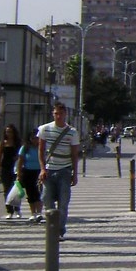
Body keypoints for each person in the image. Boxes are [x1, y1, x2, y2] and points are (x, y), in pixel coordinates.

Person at [37, 102, 80, 241]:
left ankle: (59, 231)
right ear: (53, 114)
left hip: (64, 170)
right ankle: (51, 228)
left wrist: (75, 173)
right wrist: (42, 169)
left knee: (63, 202)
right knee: (47, 200)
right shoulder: (45, 129)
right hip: (49, 169)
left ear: (65, 114)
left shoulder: (72, 132)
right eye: (56, 113)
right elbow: (41, 150)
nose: (58, 116)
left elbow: (74, 154)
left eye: (61, 113)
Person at [16, 130, 44, 223]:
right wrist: (18, 173)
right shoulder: (25, 148)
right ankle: (33, 213)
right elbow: (20, 161)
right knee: (30, 193)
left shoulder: (42, 147)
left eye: (36, 138)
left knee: (39, 192)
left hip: (39, 171)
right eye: (32, 138)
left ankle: (39, 213)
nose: (35, 140)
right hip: (28, 172)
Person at [0, 123, 22, 218]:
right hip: (5, 167)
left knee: (16, 189)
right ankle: (9, 210)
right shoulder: (3, 142)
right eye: (7, 132)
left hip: (15, 167)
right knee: (6, 189)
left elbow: (22, 155)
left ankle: (17, 209)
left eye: (10, 132)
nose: (9, 134)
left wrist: (18, 158)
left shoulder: (18, 142)